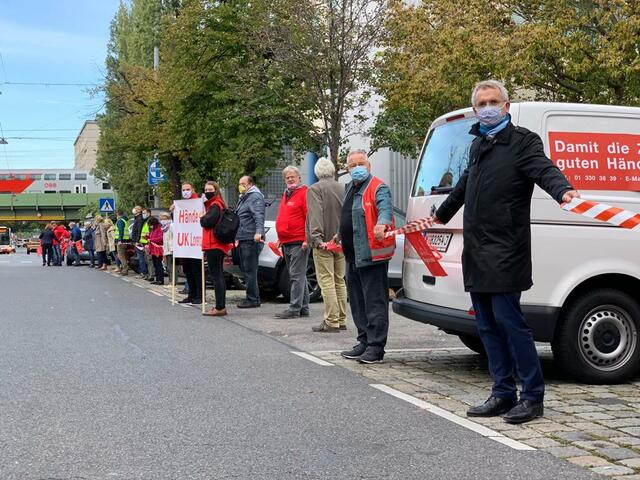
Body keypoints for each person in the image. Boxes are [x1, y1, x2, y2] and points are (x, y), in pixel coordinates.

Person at [429, 80, 580, 424]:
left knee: (511, 325)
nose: (487, 107)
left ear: (507, 105)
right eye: (481, 102)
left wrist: (563, 191)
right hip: (478, 250)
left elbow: (544, 169)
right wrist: (440, 214)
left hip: (507, 249)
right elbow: (466, 183)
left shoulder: (523, 141)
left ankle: (532, 397)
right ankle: (501, 392)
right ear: (475, 109)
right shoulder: (478, 144)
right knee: (486, 327)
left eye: (493, 101)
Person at [339, 150, 396, 364]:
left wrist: (382, 222)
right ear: (348, 169)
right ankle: (363, 340)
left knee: (374, 302)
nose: (357, 167)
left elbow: (385, 209)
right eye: (352, 165)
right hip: (352, 256)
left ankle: (376, 346)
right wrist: (338, 234)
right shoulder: (349, 189)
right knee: (357, 301)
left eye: (361, 163)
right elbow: (348, 216)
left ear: (369, 166)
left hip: (371, 256)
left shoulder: (378, 187)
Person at [306, 158, 347, 332]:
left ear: (317, 172)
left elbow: (315, 214)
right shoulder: (343, 188)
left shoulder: (315, 189)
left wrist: (316, 239)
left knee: (326, 281)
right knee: (339, 280)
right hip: (340, 241)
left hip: (324, 243)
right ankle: (341, 319)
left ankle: (331, 321)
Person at [274, 166, 310, 319]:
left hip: (298, 240)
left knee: (296, 276)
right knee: (299, 275)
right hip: (287, 241)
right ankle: (304, 308)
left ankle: (294, 308)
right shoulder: (286, 194)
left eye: (292, 176)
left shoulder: (304, 193)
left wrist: (307, 239)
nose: (290, 179)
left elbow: (309, 216)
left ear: (299, 177)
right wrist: (280, 238)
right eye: (287, 177)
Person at [200, 181, 233, 316]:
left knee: (217, 275)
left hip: (214, 244)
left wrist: (202, 218)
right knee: (217, 275)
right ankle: (220, 306)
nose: (207, 192)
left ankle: (220, 307)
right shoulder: (217, 204)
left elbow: (207, 222)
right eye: (206, 189)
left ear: (216, 190)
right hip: (215, 244)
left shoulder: (215, 205)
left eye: (210, 189)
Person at [235, 175, 265, 308]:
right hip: (243, 237)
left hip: (250, 238)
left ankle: (252, 299)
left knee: (250, 270)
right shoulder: (245, 197)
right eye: (240, 183)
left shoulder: (255, 197)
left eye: (243, 183)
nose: (241, 186)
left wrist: (258, 232)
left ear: (250, 184)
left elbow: (258, 215)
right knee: (245, 269)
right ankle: (253, 297)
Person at [171, 182, 203, 305]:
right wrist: (173, 212)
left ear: (193, 189)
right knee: (187, 270)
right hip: (185, 244)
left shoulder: (198, 203)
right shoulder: (181, 205)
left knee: (197, 271)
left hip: (195, 243)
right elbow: (179, 223)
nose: (185, 191)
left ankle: (200, 295)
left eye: (188, 189)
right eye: (184, 189)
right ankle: (191, 294)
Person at [130, 206, 149, 279]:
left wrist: (137, 241)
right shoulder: (137, 218)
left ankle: (143, 273)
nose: (134, 209)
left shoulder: (140, 218)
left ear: (138, 210)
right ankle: (143, 272)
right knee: (140, 258)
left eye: (135, 208)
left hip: (139, 242)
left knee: (141, 258)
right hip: (138, 241)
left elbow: (139, 231)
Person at [147, 216, 165, 285]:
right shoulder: (153, 229)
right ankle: (157, 279)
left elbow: (160, 239)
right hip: (153, 249)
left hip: (157, 249)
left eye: (150, 225)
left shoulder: (159, 229)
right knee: (155, 265)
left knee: (158, 265)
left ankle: (160, 280)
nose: (150, 226)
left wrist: (151, 240)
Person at [140, 207, 156, 282]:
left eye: (144, 213)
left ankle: (151, 275)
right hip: (144, 243)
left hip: (148, 243)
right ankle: (150, 274)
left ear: (149, 213)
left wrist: (148, 242)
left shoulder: (150, 220)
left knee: (149, 260)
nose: (143, 214)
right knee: (147, 260)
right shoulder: (145, 221)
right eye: (143, 213)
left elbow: (151, 233)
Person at [115, 210, 130, 275]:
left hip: (121, 241)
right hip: (125, 240)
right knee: (124, 256)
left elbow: (121, 231)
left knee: (121, 256)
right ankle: (125, 269)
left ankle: (125, 270)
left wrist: (120, 240)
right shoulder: (125, 220)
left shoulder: (120, 221)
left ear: (117, 215)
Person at [160, 213, 173, 287]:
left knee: (171, 266)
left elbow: (173, 237)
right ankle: (170, 282)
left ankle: (172, 282)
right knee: (167, 266)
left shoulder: (171, 226)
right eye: (161, 219)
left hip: (171, 249)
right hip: (166, 249)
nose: (161, 220)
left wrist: (172, 248)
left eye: (163, 218)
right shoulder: (164, 227)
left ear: (167, 218)